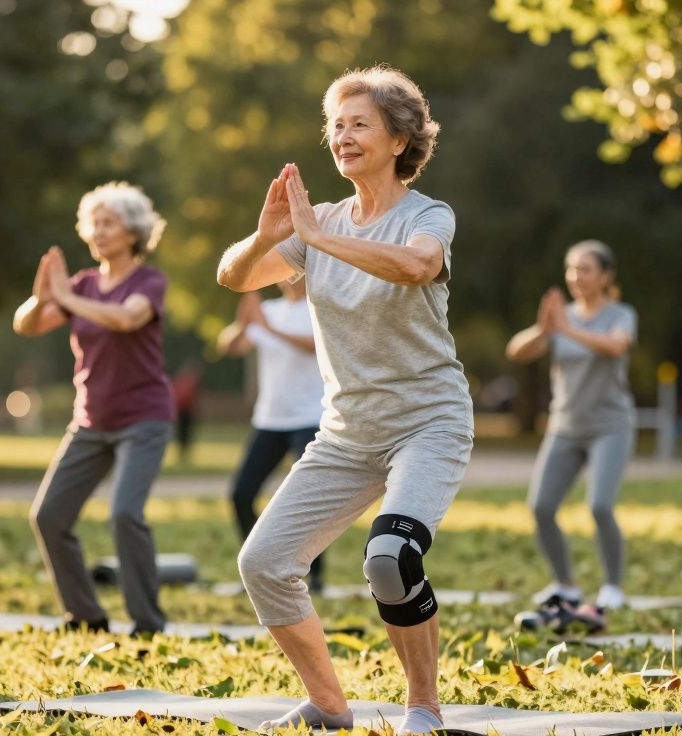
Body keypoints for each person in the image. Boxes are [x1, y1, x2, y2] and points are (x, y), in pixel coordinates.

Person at [217, 65, 472, 735]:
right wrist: (268, 237)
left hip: (427, 423)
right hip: (347, 434)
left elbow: (416, 266)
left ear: (399, 139)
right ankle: (330, 704)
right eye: (334, 125)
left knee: (390, 559)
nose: (342, 135)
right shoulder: (316, 221)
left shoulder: (427, 215)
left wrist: (317, 237)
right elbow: (233, 277)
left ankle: (425, 709)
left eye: (359, 123)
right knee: (264, 563)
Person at [13, 181, 174, 635]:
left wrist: (65, 297)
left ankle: (147, 622)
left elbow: (127, 318)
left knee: (125, 513)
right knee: (48, 516)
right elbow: (26, 325)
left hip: (143, 419)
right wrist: (45, 294)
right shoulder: (81, 285)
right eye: (94, 223)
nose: (99, 231)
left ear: (133, 232)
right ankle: (85, 615)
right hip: (90, 420)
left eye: (110, 223)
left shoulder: (149, 281)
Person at [505, 240, 636, 629]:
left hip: (610, 426)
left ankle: (612, 585)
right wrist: (545, 329)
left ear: (606, 276)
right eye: (571, 269)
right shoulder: (560, 320)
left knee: (600, 506)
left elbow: (615, 347)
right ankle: (567, 585)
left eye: (586, 269)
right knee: (541, 507)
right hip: (565, 427)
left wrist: (567, 329)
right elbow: (517, 351)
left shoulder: (620, 314)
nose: (577, 276)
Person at [217, 280, 326, 592]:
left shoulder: (318, 306)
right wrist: (243, 324)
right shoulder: (269, 309)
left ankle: (313, 575)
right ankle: (259, 567)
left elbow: (316, 346)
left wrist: (269, 328)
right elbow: (230, 347)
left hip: (310, 418)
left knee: (308, 501)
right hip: (269, 420)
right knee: (241, 495)